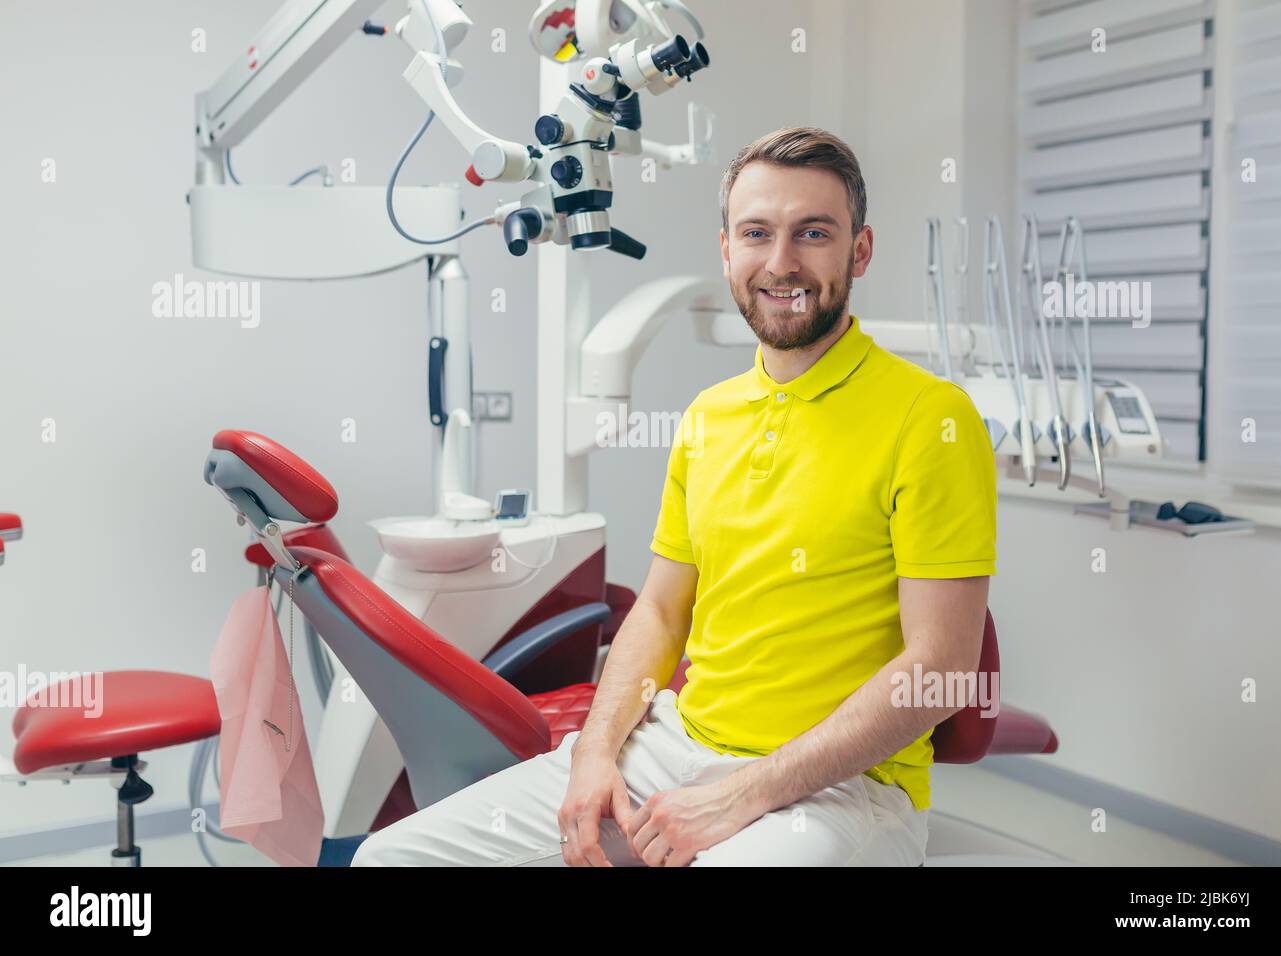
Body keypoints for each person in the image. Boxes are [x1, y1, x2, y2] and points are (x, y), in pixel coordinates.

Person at [352, 126, 997, 867]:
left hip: (844, 791)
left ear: (859, 251)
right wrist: (595, 751)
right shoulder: (707, 417)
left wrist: (747, 792)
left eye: (812, 233)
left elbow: (943, 666)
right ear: (726, 250)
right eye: (757, 233)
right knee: (386, 861)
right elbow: (660, 612)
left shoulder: (930, 417)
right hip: (676, 747)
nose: (781, 262)